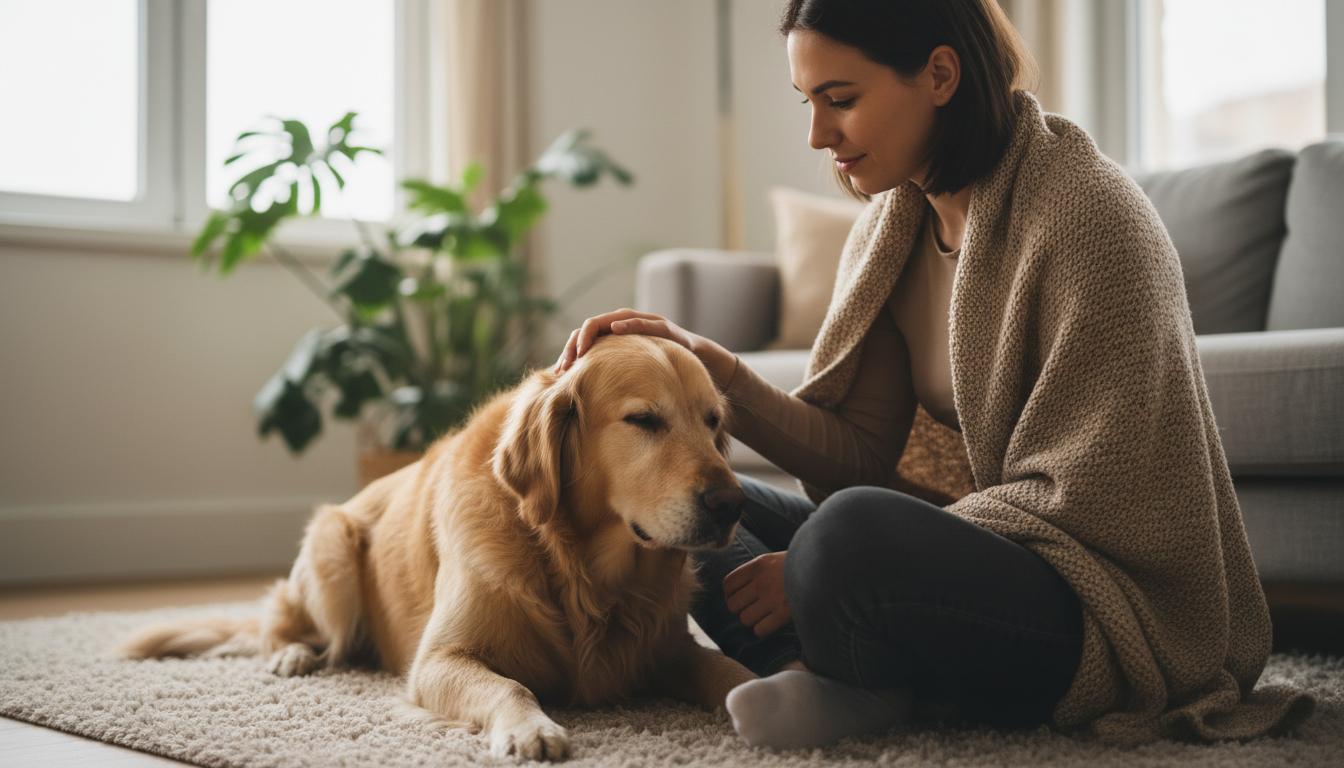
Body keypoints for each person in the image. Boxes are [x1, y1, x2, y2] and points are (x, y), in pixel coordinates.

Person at [554, 0, 1314, 751]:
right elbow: (857, 451)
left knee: (845, 538)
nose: (819, 135)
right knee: (716, 504)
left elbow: (1085, 498)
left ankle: (860, 672)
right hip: (976, 554)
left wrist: (829, 559)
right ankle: (818, 678)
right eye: (808, 103)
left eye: (840, 100)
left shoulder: (1088, 216)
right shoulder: (898, 225)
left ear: (940, 74)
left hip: (1101, 598)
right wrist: (709, 368)